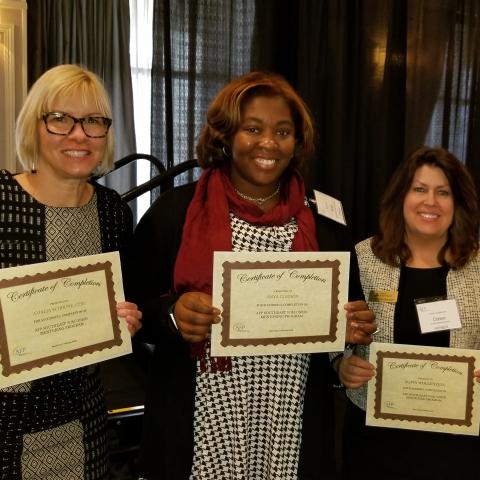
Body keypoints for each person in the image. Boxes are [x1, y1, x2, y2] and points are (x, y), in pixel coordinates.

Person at [128, 71, 376, 480]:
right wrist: (172, 314)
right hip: (203, 420)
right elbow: (133, 309)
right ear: (227, 135)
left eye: (283, 131)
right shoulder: (176, 212)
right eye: (253, 129)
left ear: (296, 143)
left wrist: (348, 334)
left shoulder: (325, 224)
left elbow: (345, 317)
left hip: (289, 419)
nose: (268, 143)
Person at [0, 64, 142, 479]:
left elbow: (116, 306)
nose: (79, 135)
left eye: (93, 121)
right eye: (60, 119)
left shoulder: (113, 213)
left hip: (84, 421)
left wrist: (124, 323)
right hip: (5, 422)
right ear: (34, 125)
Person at [338, 146, 480, 480]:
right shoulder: (364, 257)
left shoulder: (478, 265)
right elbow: (339, 333)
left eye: (443, 192)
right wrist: (342, 364)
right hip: (375, 439)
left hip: (457, 443)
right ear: (401, 196)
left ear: (457, 203)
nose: (430, 202)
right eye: (419, 189)